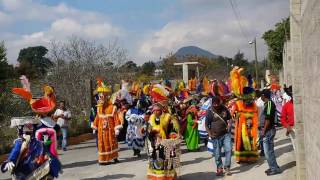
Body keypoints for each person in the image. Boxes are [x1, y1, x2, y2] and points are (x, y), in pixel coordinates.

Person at [146, 102, 181, 180]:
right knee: (157, 160)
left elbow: (173, 129)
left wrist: (173, 135)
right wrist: (153, 134)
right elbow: (148, 130)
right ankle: (158, 177)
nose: (156, 112)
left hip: (166, 142)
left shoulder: (168, 117)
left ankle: (168, 177)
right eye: (154, 110)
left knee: (167, 160)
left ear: (161, 110)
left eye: (158, 110)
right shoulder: (151, 118)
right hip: (155, 143)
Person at [92, 80, 122, 165]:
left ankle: (114, 158)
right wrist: (95, 127)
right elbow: (97, 118)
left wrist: (117, 128)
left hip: (110, 130)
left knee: (112, 143)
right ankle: (103, 160)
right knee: (102, 144)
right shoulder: (99, 108)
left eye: (103, 97)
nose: (101, 99)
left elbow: (116, 118)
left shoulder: (112, 107)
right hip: (101, 131)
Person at [205, 96, 232, 176]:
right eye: (214, 104)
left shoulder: (224, 108)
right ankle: (219, 168)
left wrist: (229, 126)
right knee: (217, 153)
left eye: (217, 103)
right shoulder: (210, 111)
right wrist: (210, 135)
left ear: (219, 102)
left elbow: (230, 119)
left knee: (229, 150)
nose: (216, 105)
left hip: (225, 134)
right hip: (215, 136)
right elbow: (206, 125)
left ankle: (227, 167)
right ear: (212, 104)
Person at [232, 87, 259, 163]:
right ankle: (240, 158)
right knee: (241, 142)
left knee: (250, 141)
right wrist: (238, 116)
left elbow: (256, 113)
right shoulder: (237, 103)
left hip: (250, 126)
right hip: (240, 126)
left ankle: (251, 158)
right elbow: (233, 114)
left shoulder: (253, 104)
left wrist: (251, 119)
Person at [261, 89, 282, 176]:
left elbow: (268, 119)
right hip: (267, 130)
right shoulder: (267, 104)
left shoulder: (269, 104)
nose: (260, 97)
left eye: (261, 95)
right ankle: (274, 167)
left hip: (268, 130)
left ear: (263, 96)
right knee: (269, 151)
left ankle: (274, 168)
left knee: (268, 151)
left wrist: (264, 130)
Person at [255, 90, 265, 156]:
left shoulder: (257, 103)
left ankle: (263, 150)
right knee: (263, 136)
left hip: (259, 121)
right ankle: (263, 149)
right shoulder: (263, 101)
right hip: (264, 120)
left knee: (261, 136)